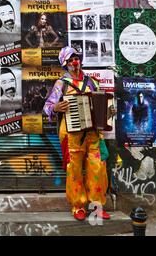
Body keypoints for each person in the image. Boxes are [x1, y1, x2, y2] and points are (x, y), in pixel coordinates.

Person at [43, 46, 115, 221]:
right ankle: (78, 206)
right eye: (71, 59)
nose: (75, 61)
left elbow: (103, 103)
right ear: (65, 64)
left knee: (97, 168)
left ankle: (97, 205)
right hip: (71, 134)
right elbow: (47, 108)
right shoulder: (61, 84)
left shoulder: (92, 82)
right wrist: (56, 107)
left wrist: (108, 112)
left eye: (77, 58)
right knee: (74, 170)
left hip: (93, 133)